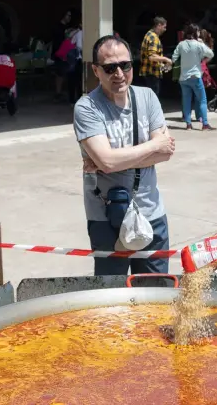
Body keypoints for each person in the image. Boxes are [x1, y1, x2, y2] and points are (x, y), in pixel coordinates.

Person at [75, 35, 175, 276]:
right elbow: (108, 161)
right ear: (96, 70)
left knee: (156, 290)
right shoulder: (87, 107)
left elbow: (165, 152)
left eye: (125, 65)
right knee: (112, 291)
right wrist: (153, 145)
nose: (119, 73)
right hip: (106, 216)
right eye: (110, 68)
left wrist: (108, 161)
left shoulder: (147, 97)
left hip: (151, 212)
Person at [171, 23, 216, 132]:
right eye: (198, 31)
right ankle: (205, 124)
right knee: (202, 100)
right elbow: (211, 54)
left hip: (183, 78)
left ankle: (188, 124)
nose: (199, 33)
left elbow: (173, 57)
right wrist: (203, 57)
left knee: (186, 101)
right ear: (196, 32)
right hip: (195, 76)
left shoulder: (181, 44)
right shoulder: (198, 44)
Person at [138, 16, 171, 95]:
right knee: (153, 97)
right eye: (164, 27)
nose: (165, 30)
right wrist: (167, 60)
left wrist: (161, 65)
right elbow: (152, 57)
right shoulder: (153, 37)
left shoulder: (149, 34)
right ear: (159, 25)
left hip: (149, 72)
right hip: (151, 73)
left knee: (149, 97)